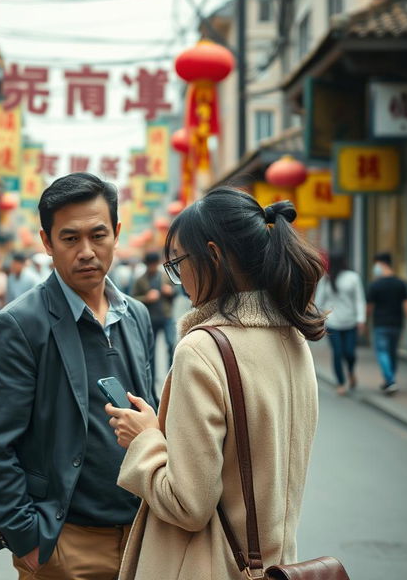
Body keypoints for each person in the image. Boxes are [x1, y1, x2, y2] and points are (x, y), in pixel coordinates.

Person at [105, 188, 326, 580]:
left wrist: (145, 438)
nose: (177, 279)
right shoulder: (294, 339)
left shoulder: (203, 350)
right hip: (277, 565)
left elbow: (188, 504)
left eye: (179, 263)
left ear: (214, 254)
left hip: (209, 567)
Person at [0, 172, 156, 580]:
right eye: (70, 239)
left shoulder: (137, 316)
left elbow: (150, 408)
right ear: (47, 242)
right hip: (66, 542)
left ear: (117, 233)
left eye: (98, 235)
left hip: (144, 535)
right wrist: (29, 540)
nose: (87, 251)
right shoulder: (22, 324)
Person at [367, 252, 407, 395]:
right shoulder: (401, 283)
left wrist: (365, 322)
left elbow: (369, 308)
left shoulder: (375, 285)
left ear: (381, 264)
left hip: (380, 324)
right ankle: (389, 380)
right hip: (397, 324)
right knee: (392, 353)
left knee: (382, 352)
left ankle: (390, 381)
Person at [314, 253, 366, 395]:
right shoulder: (326, 279)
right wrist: (319, 319)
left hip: (350, 323)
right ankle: (341, 383)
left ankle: (350, 372)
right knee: (337, 353)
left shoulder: (352, 278)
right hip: (333, 323)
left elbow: (359, 300)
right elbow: (319, 301)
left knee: (350, 353)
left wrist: (361, 319)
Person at [132, 251, 176, 390]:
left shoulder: (165, 277)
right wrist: (146, 298)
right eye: (150, 264)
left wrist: (171, 291)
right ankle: (151, 379)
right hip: (150, 319)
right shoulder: (140, 280)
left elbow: (177, 291)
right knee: (151, 350)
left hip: (166, 316)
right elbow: (133, 298)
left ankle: (172, 375)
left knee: (171, 345)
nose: (152, 267)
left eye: (154, 264)